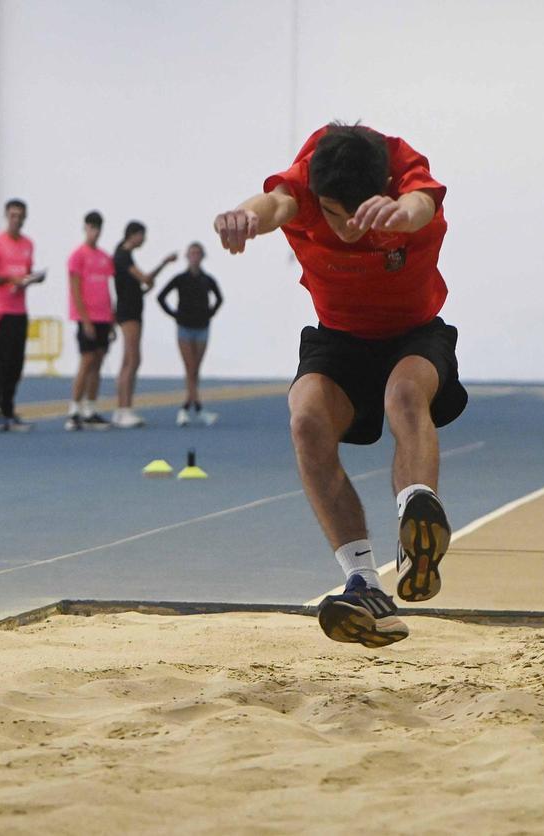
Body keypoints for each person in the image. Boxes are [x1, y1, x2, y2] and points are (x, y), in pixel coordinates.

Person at [213, 122, 467, 648]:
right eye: (334, 215)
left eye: (358, 215)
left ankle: (418, 519)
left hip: (414, 334)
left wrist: (403, 212)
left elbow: (425, 203)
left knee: (403, 396)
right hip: (340, 338)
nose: (348, 229)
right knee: (305, 419)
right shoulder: (305, 184)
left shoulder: (404, 176)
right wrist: (244, 218)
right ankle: (364, 583)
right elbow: (274, 204)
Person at [0, 199, 42, 432]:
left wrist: (31, 279)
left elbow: (25, 273)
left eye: (20, 215)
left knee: (16, 362)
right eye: (13, 215)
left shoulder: (28, 244)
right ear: (7, 216)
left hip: (19, 310)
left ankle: (7, 409)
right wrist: (10, 280)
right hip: (0, 311)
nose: (17, 219)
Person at [111, 221, 176, 428]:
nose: (144, 240)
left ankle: (123, 409)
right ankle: (124, 408)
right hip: (128, 312)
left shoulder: (125, 256)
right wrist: (164, 263)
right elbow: (145, 278)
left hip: (132, 308)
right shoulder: (122, 255)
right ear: (133, 235)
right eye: (142, 235)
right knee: (133, 359)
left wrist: (148, 282)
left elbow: (142, 283)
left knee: (128, 360)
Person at [157, 241, 223, 427]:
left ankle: (188, 407)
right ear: (187, 256)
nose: (195, 257)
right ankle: (194, 407)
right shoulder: (180, 279)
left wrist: (210, 313)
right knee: (190, 367)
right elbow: (161, 297)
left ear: (202, 257)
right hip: (184, 327)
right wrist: (175, 315)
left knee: (195, 369)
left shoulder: (207, 279)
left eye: (198, 253)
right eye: (192, 253)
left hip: (202, 327)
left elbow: (219, 298)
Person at [64, 211, 115, 431]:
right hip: (87, 317)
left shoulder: (104, 257)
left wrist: (112, 320)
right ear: (85, 228)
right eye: (91, 227)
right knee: (86, 361)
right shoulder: (77, 255)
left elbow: (107, 289)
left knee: (98, 362)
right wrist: (85, 320)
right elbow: (75, 290)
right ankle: (74, 409)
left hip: (104, 316)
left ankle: (90, 408)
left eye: (98, 228)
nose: (94, 232)